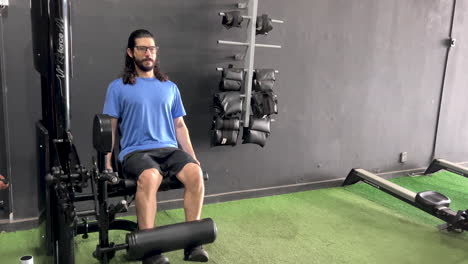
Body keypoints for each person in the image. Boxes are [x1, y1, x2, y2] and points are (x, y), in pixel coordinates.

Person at [103, 29, 208, 264]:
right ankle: (149, 251)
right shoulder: (117, 87)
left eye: (152, 48)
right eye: (142, 48)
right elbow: (110, 128)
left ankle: (193, 243)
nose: (148, 53)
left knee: (195, 173)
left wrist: (192, 157)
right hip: (135, 152)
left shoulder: (169, 87)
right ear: (131, 53)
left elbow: (180, 126)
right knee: (150, 177)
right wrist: (108, 162)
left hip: (169, 150)